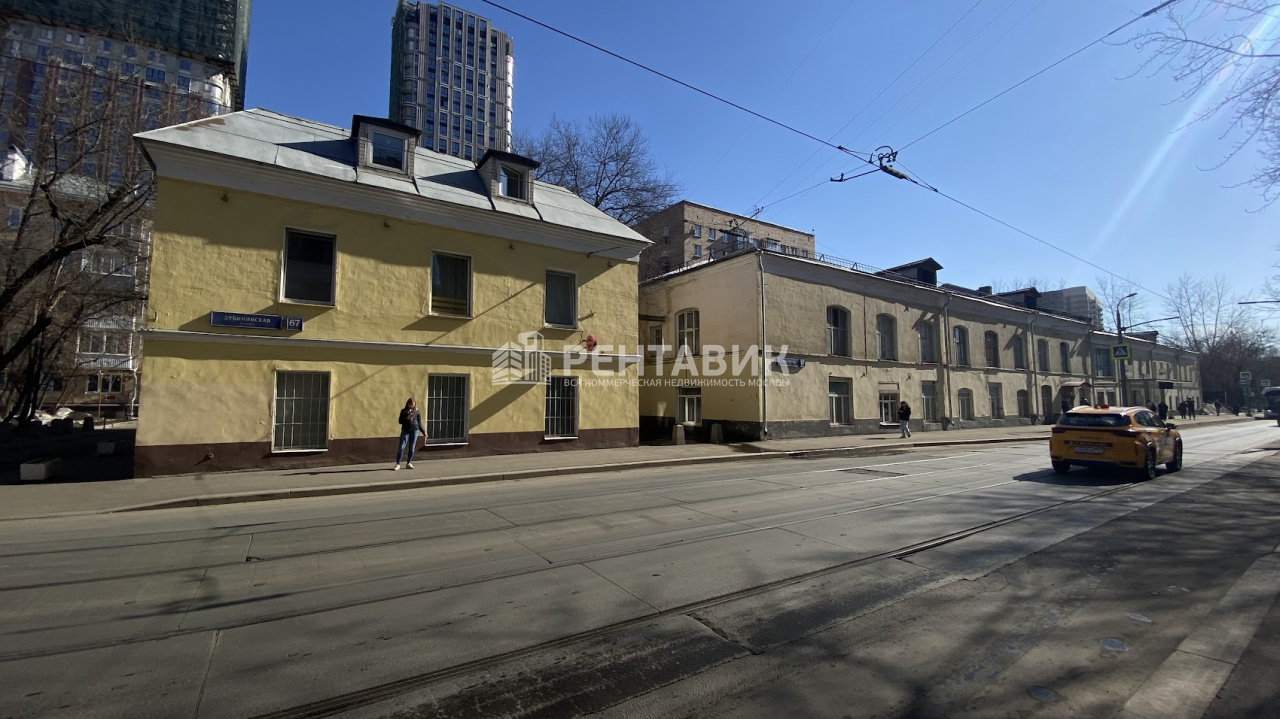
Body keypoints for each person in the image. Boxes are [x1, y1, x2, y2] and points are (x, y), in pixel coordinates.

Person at [394, 398, 423, 470]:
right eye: (410, 404)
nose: (411, 406)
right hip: (405, 430)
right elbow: (400, 421)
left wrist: (423, 431)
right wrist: (407, 418)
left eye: (413, 404)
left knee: (412, 447)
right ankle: (398, 464)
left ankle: (409, 463)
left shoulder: (417, 411)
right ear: (407, 404)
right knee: (402, 447)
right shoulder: (403, 411)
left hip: (414, 430)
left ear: (415, 404)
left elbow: (419, 422)